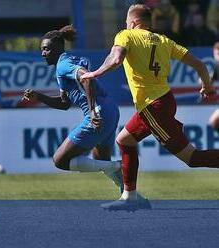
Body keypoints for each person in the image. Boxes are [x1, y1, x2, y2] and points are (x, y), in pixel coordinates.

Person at [81, 4, 218, 211]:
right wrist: (207, 86)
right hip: (163, 101)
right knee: (125, 140)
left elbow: (116, 58)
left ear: (134, 22)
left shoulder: (126, 35)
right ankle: (130, 196)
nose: (125, 25)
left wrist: (96, 73)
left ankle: (130, 197)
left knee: (191, 158)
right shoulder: (164, 41)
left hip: (152, 107)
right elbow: (199, 64)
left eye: (127, 22)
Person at [22, 25, 124, 194]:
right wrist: (39, 97)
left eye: (46, 49)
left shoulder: (64, 65)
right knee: (101, 160)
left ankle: (120, 165)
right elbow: (64, 103)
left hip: (99, 111)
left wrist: (91, 111)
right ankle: (130, 194)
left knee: (60, 160)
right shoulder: (65, 63)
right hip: (110, 109)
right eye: (42, 49)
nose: (43, 53)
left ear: (57, 49)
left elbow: (87, 79)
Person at [208, 42, 219, 131]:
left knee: (214, 121)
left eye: (217, 54)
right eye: (215, 54)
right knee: (214, 122)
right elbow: (210, 79)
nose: (216, 56)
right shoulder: (217, 66)